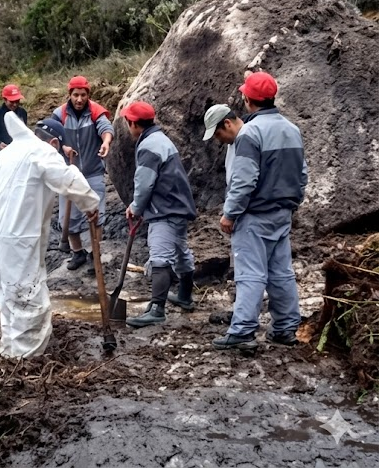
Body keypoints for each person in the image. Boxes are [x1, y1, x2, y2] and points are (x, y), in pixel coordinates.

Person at [0, 112, 99, 358]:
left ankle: (10, 350)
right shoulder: (42, 152)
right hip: (19, 237)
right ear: (54, 143)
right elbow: (68, 179)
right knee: (28, 298)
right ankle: (26, 359)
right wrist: (90, 204)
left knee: (8, 295)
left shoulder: (4, 155)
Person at [212, 72, 308, 350]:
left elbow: (244, 181)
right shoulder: (291, 129)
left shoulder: (249, 133)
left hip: (254, 216)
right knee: (281, 273)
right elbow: (302, 175)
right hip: (282, 213)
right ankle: (285, 328)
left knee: (250, 274)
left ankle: (243, 331)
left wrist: (230, 213)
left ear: (248, 100)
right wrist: (292, 203)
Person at [118, 102, 198, 327]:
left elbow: (144, 183)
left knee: (160, 257)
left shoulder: (149, 146)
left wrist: (136, 207)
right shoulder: (161, 139)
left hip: (165, 208)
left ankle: (157, 309)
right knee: (180, 251)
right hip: (178, 206)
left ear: (134, 124)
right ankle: (184, 296)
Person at [48, 76, 114, 270]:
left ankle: (95, 253)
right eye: (76, 95)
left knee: (96, 214)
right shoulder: (59, 114)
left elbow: (106, 128)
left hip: (93, 172)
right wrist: (63, 146)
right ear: (69, 94)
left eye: (83, 95)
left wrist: (106, 142)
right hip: (68, 173)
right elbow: (51, 136)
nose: (79, 99)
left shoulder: (96, 112)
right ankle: (78, 253)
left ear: (88, 95)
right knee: (68, 218)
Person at [0, 84, 28, 154]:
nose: (15, 104)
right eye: (12, 101)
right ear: (5, 99)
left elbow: (24, 133)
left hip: (18, 152)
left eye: (17, 101)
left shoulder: (22, 113)